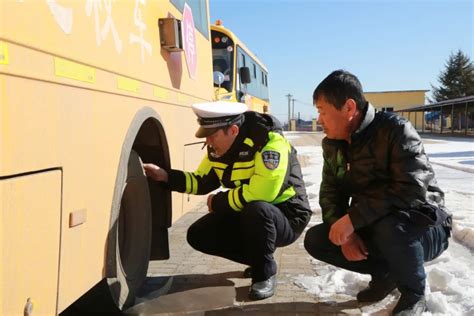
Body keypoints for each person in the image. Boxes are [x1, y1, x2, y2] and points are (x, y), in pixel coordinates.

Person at [304, 70, 452, 315]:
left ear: (349, 108)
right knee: (319, 239)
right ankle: (385, 276)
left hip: (426, 226)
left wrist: (354, 219)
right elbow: (330, 194)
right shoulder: (333, 145)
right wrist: (347, 234)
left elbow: (411, 189)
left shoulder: (396, 130)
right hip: (380, 224)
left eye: (322, 111)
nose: (319, 120)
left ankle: (414, 294)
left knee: (389, 226)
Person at [144, 101, 312, 300]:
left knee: (257, 209)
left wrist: (219, 202)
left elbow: (263, 192)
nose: (208, 141)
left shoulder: (268, 142)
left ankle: (264, 274)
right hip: (256, 215)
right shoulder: (218, 151)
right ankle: (260, 257)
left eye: (212, 135)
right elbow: (201, 181)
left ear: (233, 130)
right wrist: (166, 176)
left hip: (289, 216)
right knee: (198, 234)